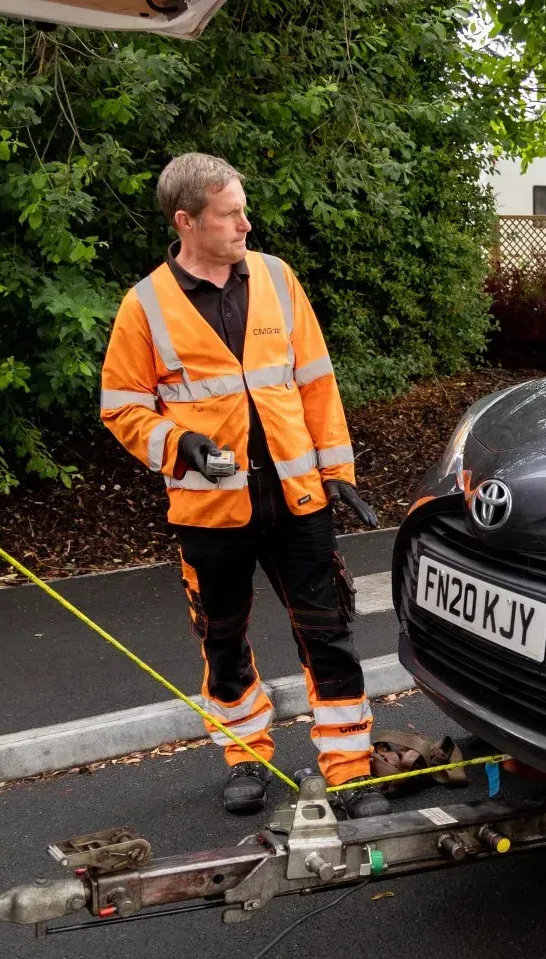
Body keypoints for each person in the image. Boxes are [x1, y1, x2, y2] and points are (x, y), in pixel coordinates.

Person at [98, 153, 387, 817]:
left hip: (298, 502)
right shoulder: (146, 307)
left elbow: (316, 380)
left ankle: (348, 766)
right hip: (208, 511)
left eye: (243, 210)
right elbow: (120, 405)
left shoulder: (278, 280)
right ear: (187, 221)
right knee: (223, 642)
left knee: (328, 634)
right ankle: (245, 755)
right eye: (230, 215)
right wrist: (179, 444)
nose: (246, 225)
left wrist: (337, 472)